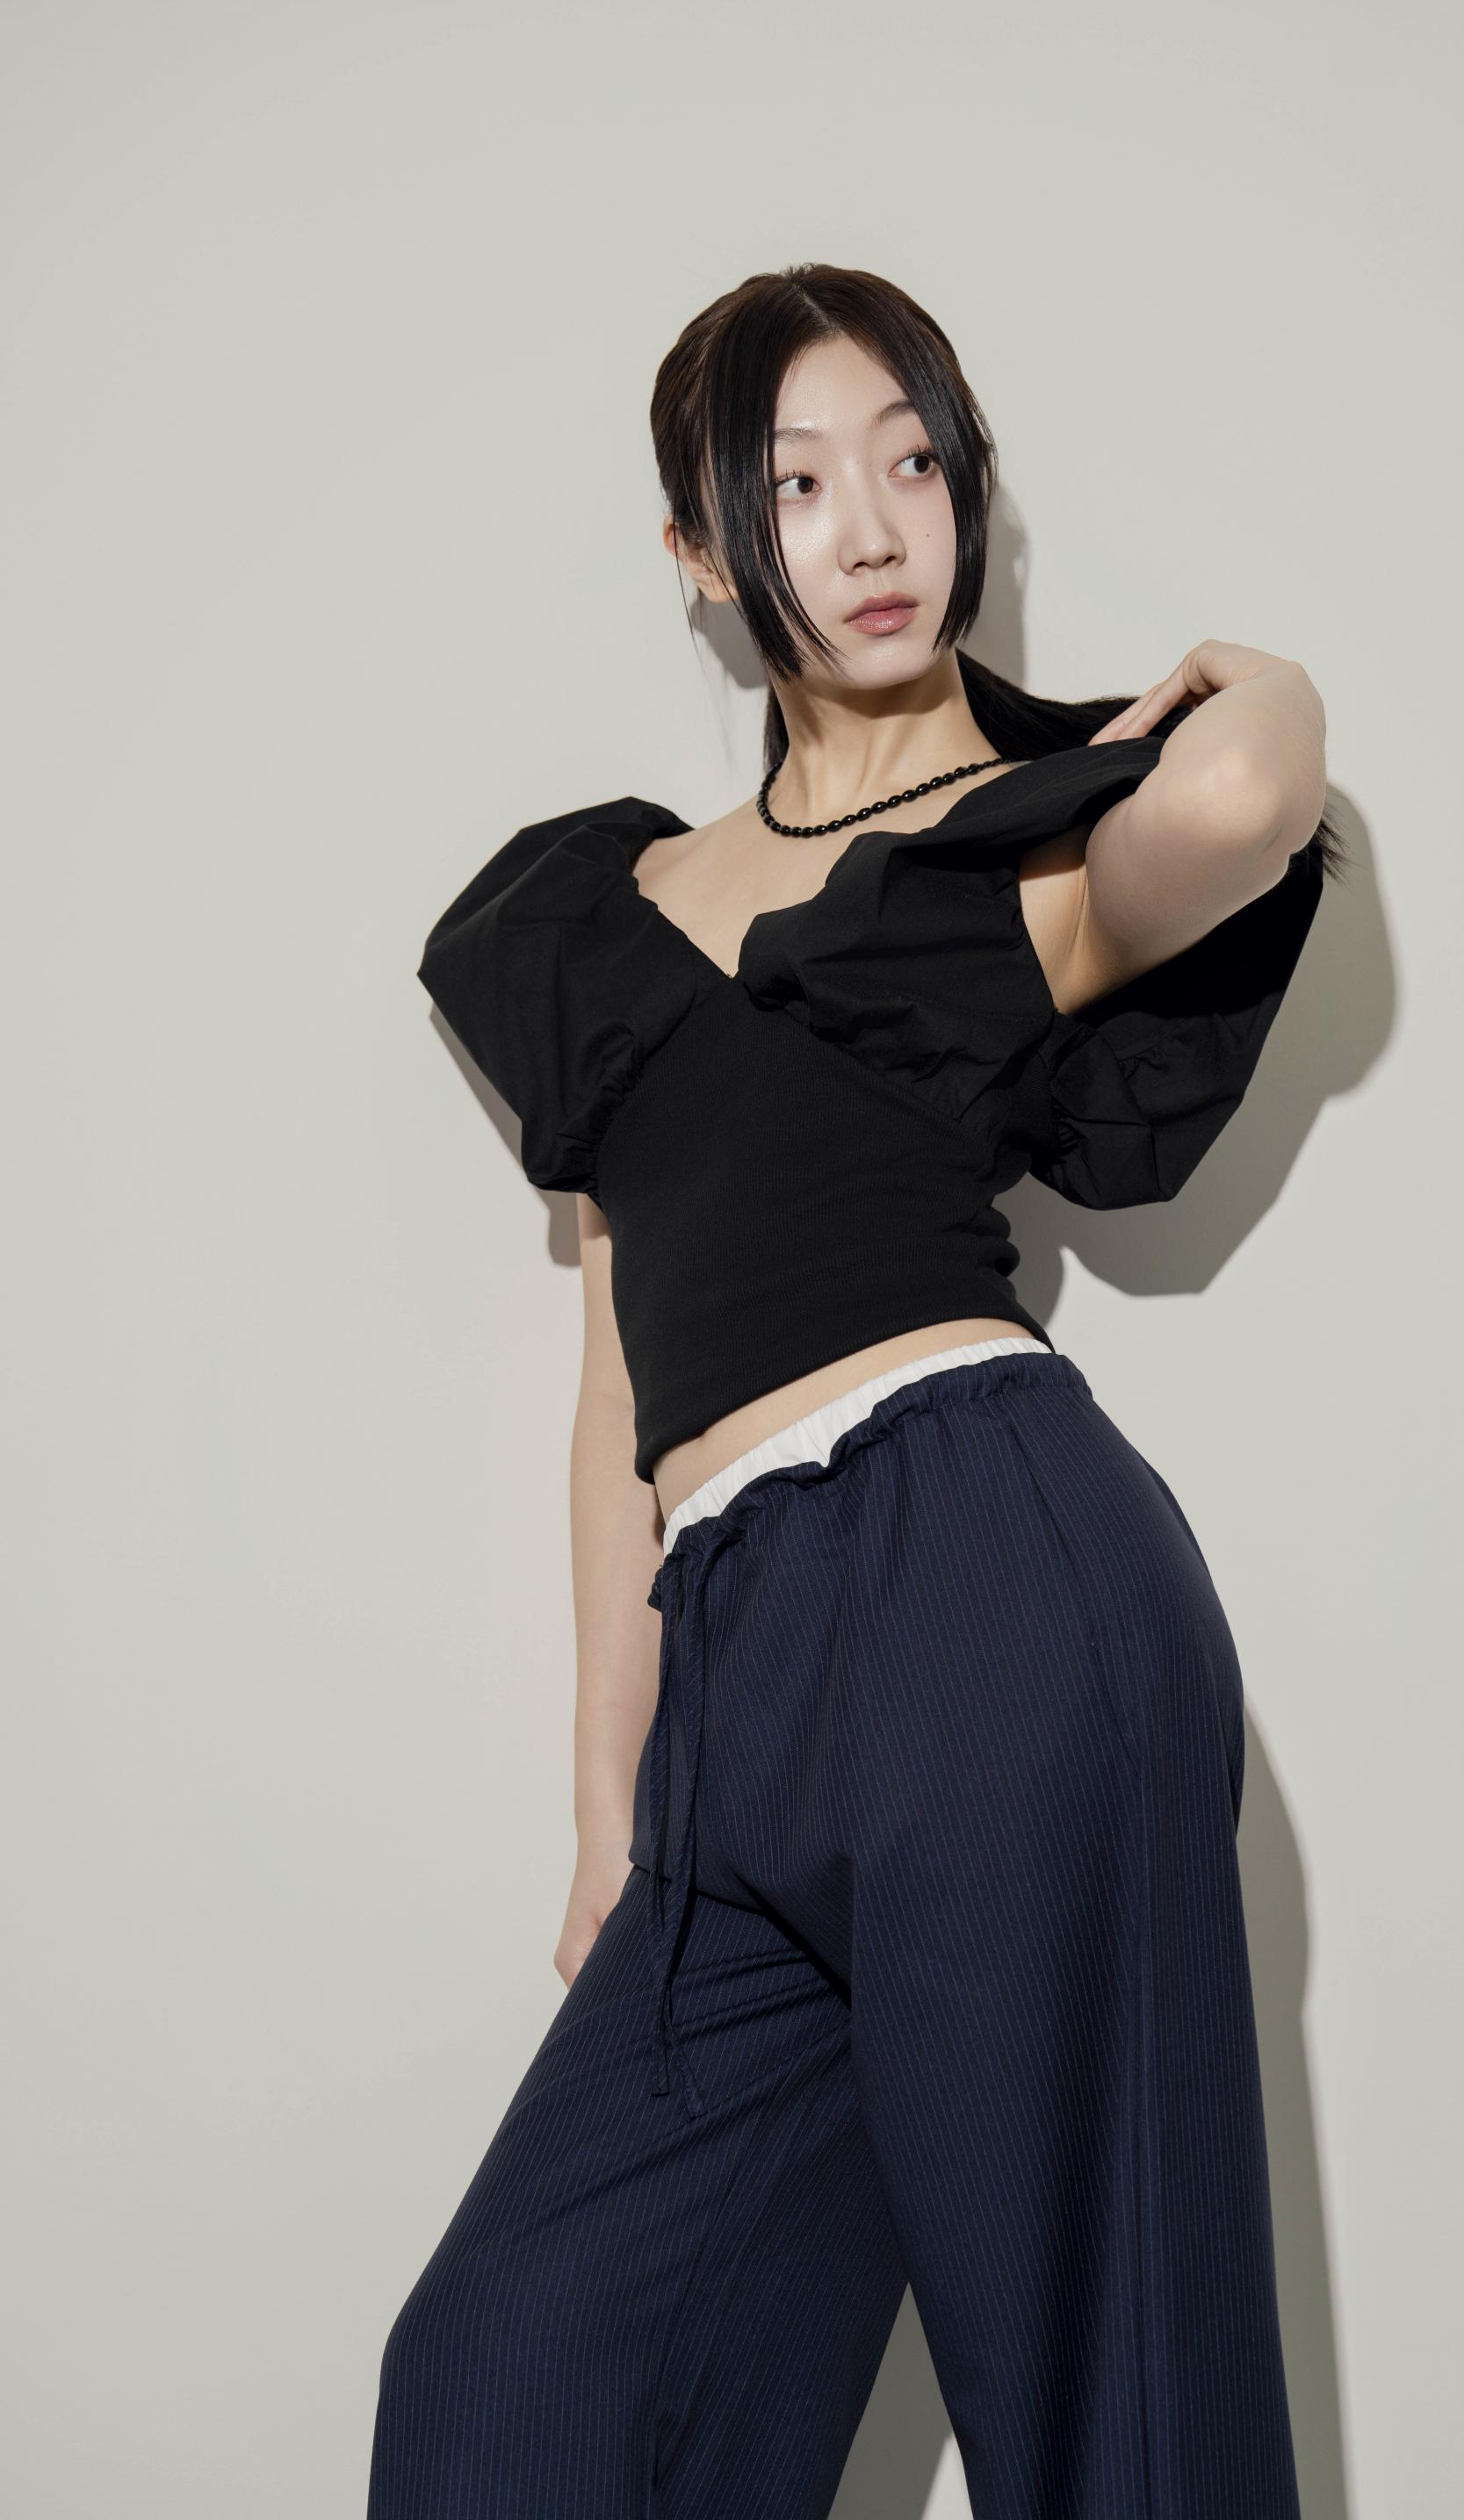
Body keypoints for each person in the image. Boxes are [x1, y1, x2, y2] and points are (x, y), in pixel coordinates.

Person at [367, 261, 1343, 2520]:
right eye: (799, 483)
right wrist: (616, 1816)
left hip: (985, 1580)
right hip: (738, 1694)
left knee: (1106, 2412)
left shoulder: (1022, 848)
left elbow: (1244, 796)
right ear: (706, 549)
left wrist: (1258, 681)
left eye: (916, 459)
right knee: (513, 2378)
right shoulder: (604, 914)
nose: (876, 525)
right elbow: (621, 1388)